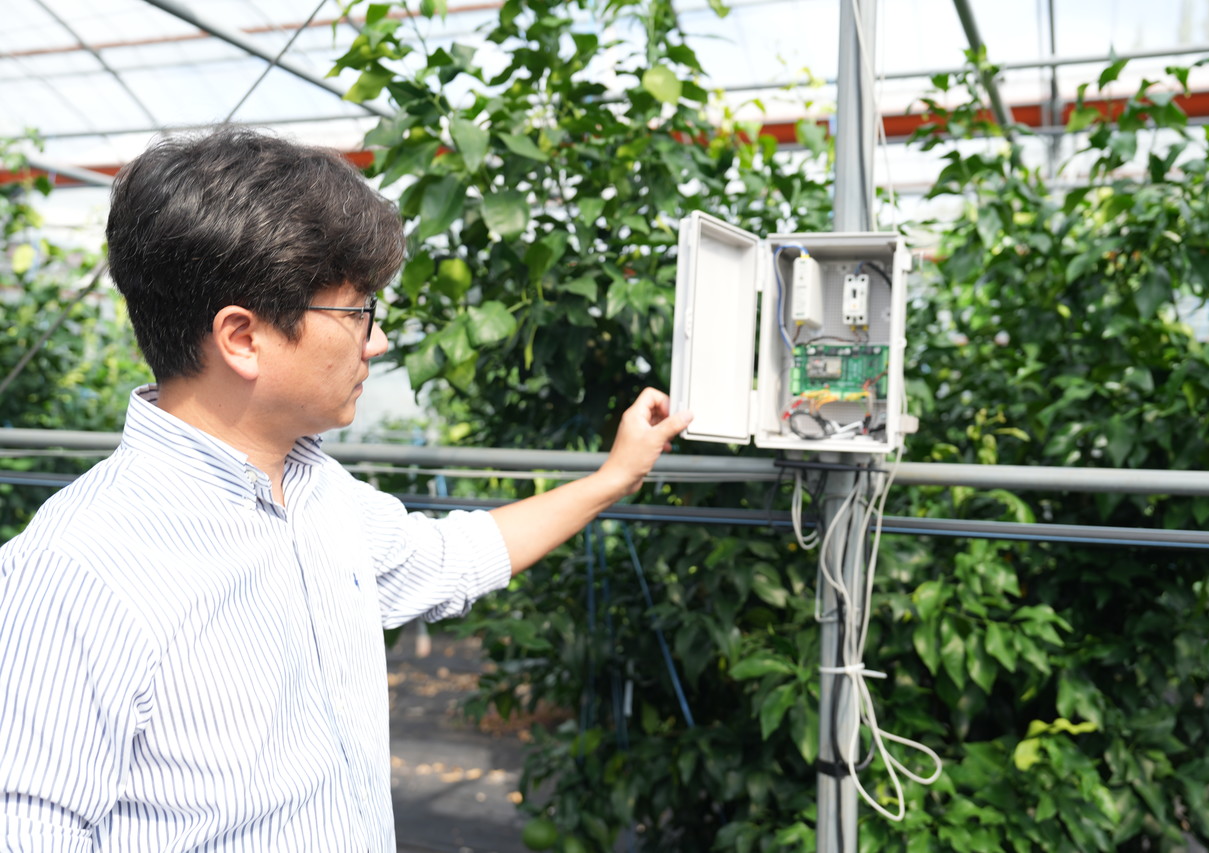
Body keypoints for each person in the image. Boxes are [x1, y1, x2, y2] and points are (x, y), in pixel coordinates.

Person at [0, 127, 692, 852]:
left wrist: (615, 477)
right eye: (357, 310)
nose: (378, 340)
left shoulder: (318, 491)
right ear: (242, 337)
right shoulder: (77, 569)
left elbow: (453, 555)